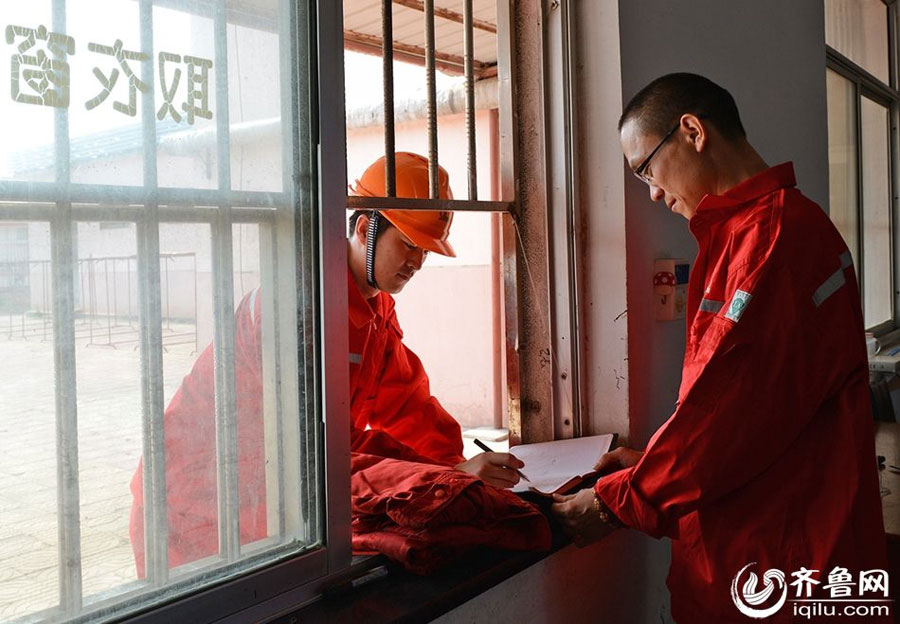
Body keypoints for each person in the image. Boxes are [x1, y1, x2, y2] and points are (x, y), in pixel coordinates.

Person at [551, 74, 888, 623]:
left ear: (692, 131)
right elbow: (745, 401)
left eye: (646, 170)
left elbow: (726, 416)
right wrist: (651, 462)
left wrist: (621, 502)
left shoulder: (773, 240)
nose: (653, 193)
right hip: (757, 540)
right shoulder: (743, 234)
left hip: (779, 558)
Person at [129, 151, 526, 576]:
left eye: (426, 250)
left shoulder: (374, 312)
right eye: (408, 244)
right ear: (363, 227)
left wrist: (459, 474)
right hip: (192, 512)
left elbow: (409, 407)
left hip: (267, 502)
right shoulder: (300, 305)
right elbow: (322, 443)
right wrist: (444, 479)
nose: (417, 262)